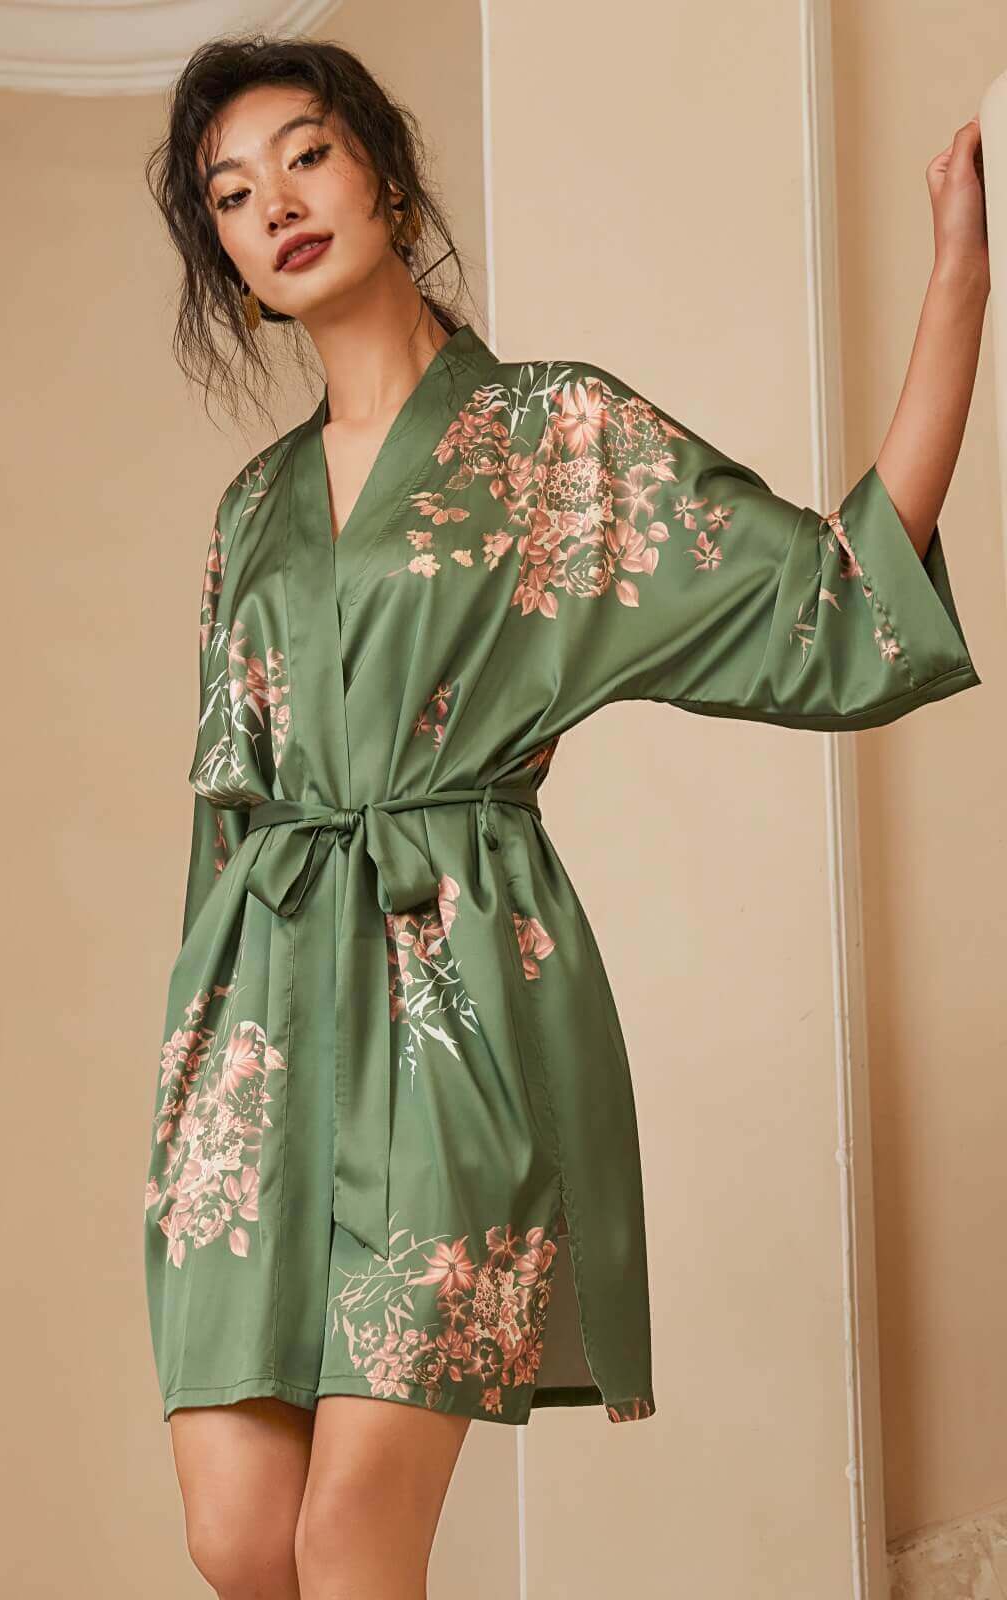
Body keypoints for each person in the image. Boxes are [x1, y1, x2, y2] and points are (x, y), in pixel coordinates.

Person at [141, 31, 988, 1600]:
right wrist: (197, 1079)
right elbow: (224, 821)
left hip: (452, 1011)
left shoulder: (551, 439)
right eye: (234, 195)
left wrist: (960, 284)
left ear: (387, 176)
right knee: (239, 1540)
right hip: (257, 1035)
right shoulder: (247, 513)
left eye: (308, 155)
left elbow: (826, 599)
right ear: (230, 260)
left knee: (349, 1532)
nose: (279, 205)